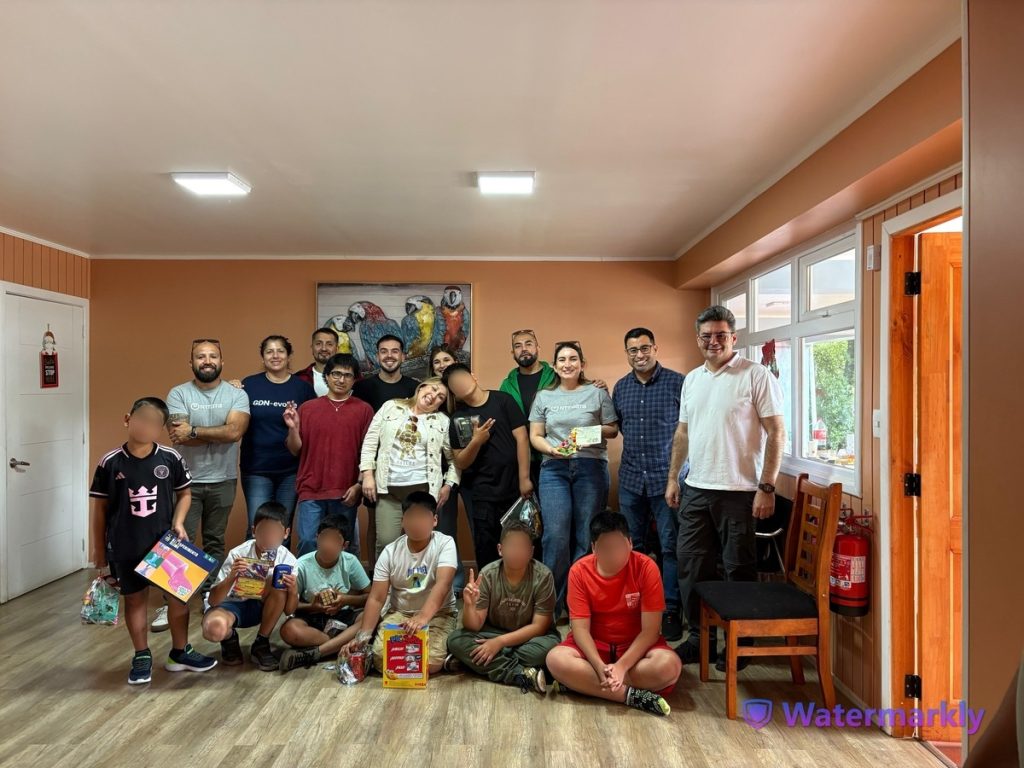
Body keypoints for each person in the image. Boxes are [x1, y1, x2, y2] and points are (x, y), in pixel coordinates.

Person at [666, 305, 785, 668]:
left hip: (740, 491)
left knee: (738, 569)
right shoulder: (692, 379)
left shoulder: (756, 375)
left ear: (733, 337)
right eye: (706, 336)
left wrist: (767, 486)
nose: (713, 341)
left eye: (721, 335)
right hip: (696, 488)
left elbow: (776, 432)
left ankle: (739, 642)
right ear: (698, 339)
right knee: (691, 565)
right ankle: (700, 639)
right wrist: (673, 477)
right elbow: (683, 433)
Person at [89, 397, 216, 684]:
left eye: (154, 423)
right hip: (125, 544)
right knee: (135, 600)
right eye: (141, 419)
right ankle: (141, 655)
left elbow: (185, 494)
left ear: (161, 429)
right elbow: (100, 509)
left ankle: (180, 652)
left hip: (165, 544)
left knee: (178, 599)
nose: (146, 426)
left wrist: (179, 522)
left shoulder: (170, 458)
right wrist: (99, 549)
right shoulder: (110, 462)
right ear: (127, 419)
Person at [545, 511, 681, 716]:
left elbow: (651, 631)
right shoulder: (579, 571)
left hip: (634, 649)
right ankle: (630, 696)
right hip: (595, 647)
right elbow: (580, 630)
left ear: (630, 543)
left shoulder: (646, 568)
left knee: (670, 666)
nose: (614, 554)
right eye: (606, 548)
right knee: (555, 659)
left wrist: (621, 667)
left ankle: (582, 685)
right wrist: (599, 667)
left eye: (619, 546)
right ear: (594, 548)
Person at [158, 339, 250, 631]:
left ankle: (210, 596)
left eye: (212, 356)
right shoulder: (178, 393)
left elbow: (234, 432)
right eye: (201, 356)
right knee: (177, 540)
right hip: (185, 482)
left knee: (214, 541)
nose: (207, 361)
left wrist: (195, 431)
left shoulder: (236, 394)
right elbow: (178, 436)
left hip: (223, 479)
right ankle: (172, 601)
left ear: (222, 362)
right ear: (192, 362)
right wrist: (216, 433)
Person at [529, 340, 618, 616]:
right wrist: (551, 450)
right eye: (562, 360)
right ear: (554, 367)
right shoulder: (544, 396)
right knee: (555, 536)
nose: (567, 364)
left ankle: (577, 601)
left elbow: (613, 429)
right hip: (553, 468)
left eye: (573, 359)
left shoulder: (597, 392)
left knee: (586, 536)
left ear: (582, 364)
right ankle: (551, 606)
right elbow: (535, 435)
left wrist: (587, 434)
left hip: (590, 467)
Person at [611, 327, 686, 641]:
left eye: (644, 348)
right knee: (631, 547)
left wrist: (674, 477)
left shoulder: (678, 383)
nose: (639, 355)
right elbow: (618, 427)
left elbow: (687, 430)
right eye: (633, 350)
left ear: (655, 348)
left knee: (670, 547)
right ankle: (636, 607)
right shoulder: (621, 388)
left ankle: (669, 608)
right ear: (627, 354)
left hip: (667, 480)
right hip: (631, 480)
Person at [345, 491, 458, 676]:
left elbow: (443, 585)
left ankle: (442, 656)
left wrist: (422, 617)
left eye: (422, 516)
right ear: (403, 521)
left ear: (434, 520)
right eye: (411, 517)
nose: (416, 522)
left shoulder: (445, 543)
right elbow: (377, 598)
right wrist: (363, 637)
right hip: (400, 613)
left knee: (430, 661)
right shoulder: (390, 552)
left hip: (439, 614)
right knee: (380, 657)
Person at [444, 521, 558, 693]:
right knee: (455, 640)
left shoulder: (543, 576)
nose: (516, 551)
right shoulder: (488, 574)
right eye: (511, 546)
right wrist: (469, 605)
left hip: (530, 638)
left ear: (531, 552)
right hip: (493, 632)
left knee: (549, 651)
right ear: (500, 549)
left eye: (522, 547)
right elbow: (473, 626)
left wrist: (500, 643)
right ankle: (521, 674)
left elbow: (539, 627)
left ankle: (472, 664)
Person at [443, 363, 532, 569]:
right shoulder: (458, 418)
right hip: (482, 493)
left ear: (473, 376)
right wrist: (476, 441)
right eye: (454, 384)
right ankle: (489, 588)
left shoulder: (503, 400)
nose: (460, 384)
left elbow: (522, 438)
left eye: (462, 377)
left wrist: (524, 479)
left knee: (520, 542)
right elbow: (461, 461)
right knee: (486, 547)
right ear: (453, 393)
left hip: (513, 489)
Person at [284, 353, 373, 557]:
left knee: (343, 547)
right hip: (311, 488)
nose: (341, 380)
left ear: (354, 379)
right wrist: (293, 428)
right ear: (326, 376)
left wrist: (359, 485)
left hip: (346, 491)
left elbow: (368, 452)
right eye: (336, 374)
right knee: (308, 542)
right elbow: (295, 449)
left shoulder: (364, 410)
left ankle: (342, 580)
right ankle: (307, 579)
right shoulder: (308, 408)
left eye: (347, 375)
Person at [360, 378, 459, 557]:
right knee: (385, 543)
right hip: (388, 491)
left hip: (422, 492)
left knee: (420, 542)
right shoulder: (391, 407)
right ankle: (386, 576)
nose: (433, 396)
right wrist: (367, 475)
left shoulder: (442, 421)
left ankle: (418, 576)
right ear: (422, 387)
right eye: (433, 389)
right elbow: (370, 442)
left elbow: (454, 459)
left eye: (440, 397)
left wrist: (448, 485)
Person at [201, 501, 297, 671]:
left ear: (286, 533)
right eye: (264, 531)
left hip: (261, 607)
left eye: (275, 531)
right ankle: (229, 638)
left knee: (278, 582)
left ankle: (261, 643)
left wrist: (293, 589)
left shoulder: (287, 560)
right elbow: (214, 600)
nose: (269, 537)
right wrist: (232, 576)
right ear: (254, 531)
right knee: (214, 630)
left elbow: (289, 611)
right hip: (229, 606)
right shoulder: (238, 554)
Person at [239, 335, 316, 539]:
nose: (275, 356)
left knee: (282, 529)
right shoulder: (249, 385)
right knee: (257, 527)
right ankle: (253, 563)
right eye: (269, 351)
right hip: (256, 469)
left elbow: (310, 429)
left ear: (288, 356)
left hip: (290, 470)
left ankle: (279, 563)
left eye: (280, 351)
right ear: (263, 357)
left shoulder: (302, 389)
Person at [278, 516, 372, 673]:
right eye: (324, 538)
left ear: (344, 545)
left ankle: (317, 653)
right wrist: (313, 606)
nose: (328, 545)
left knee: (370, 617)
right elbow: (291, 607)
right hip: (314, 619)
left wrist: (345, 599)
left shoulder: (350, 561)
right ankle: (339, 645)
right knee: (288, 630)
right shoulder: (302, 565)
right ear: (317, 538)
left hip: (343, 617)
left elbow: (370, 596)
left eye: (335, 540)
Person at [430, 345, 466, 594]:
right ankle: (440, 583)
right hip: (435, 475)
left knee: (452, 530)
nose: (442, 365)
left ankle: (457, 582)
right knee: (439, 528)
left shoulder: (463, 396)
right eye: (437, 362)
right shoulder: (428, 395)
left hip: (463, 471)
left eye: (446, 360)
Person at [352, 334, 419, 412]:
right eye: (384, 352)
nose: (389, 355)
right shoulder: (360, 388)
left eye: (395, 351)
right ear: (377, 357)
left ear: (403, 357)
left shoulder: (416, 389)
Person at [296, 327, 339, 396]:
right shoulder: (299, 378)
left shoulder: (351, 378)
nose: (324, 348)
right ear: (312, 348)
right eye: (318, 344)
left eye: (329, 344)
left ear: (337, 349)